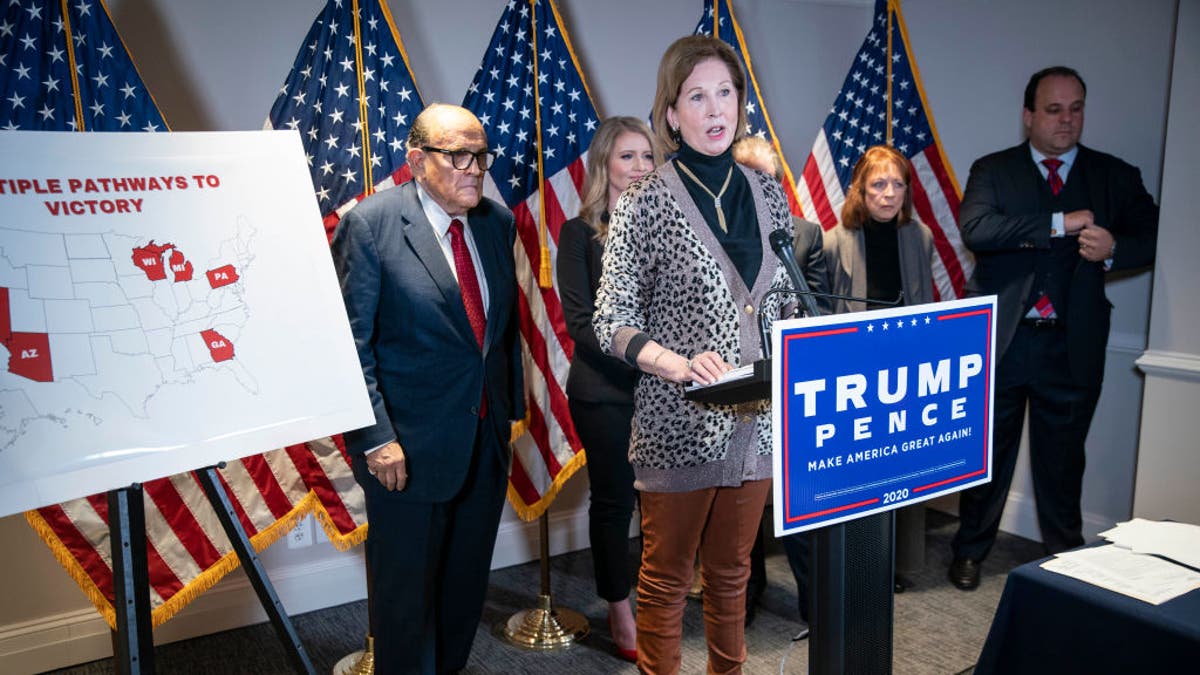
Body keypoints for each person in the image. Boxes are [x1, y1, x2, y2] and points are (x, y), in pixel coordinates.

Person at [593, 35, 793, 674]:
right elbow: (610, 320)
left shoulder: (768, 194)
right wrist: (676, 363)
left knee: (733, 574)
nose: (716, 109)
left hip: (757, 423)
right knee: (668, 579)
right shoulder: (644, 200)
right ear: (672, 114)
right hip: (677, 425)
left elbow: (784, 298)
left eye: (726, 93)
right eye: (697, 96)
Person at [331, 103, 525, 673]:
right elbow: (349, 345)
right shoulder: (370, 225)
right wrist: (374, 438)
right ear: (417, 161)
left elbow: (497, 333)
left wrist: (504, 417)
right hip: (404, 453)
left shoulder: (496, 222)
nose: (474, 168)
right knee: (406, 603)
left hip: (483, 441)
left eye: (481, 155)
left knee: (463, 592)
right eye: (458, 155)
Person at [949, 66, 1158, 590]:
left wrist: (1114, 251)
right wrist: (1056, 223)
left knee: (1063, 464)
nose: (1067, 120)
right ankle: (970, 549)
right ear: (1029, 116)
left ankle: (1065, 561)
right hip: (1004, 343)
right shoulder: (993, 170)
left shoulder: (1115, 174)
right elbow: (977, 228)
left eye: (1076, 108)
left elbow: (1154, 235)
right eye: (1054, 109)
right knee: (986, 458)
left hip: (1073, 344)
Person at [556, 116, 660, 662]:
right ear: (604, 165)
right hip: (606, 391)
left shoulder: (667, 229)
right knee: (616, 501)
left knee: (661, 502)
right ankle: (620, 609)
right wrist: (652, 361)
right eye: (627, 157)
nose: (640, 167)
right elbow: (581, 324)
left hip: (666, 391)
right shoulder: (579, 234)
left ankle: (655, 600)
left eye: (647, 156)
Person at [730, 135, 826, 639]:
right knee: (741, 502)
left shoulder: (806, 234)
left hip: (791, 388)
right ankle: (746, 597)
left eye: (766, 178)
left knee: (799, 506)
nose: (758, 187)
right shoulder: (711, 232)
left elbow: (821, 311)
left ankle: (817, 607)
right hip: (733, 391)